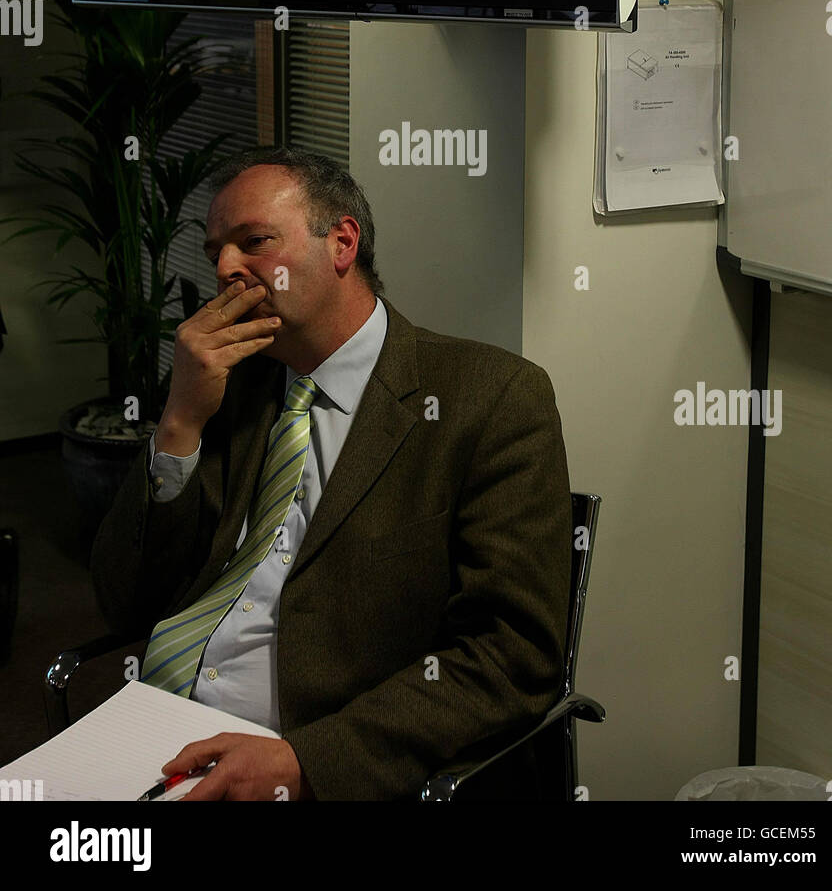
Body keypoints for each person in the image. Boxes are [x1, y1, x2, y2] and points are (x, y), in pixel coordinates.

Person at [91, 146, 573, 801]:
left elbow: (512, 656)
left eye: (253, 242)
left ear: (341, 242)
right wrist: (178, 425)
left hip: (319, 762)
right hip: (156, 726)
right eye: (215, 254)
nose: (226, 268)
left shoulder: (486, 399)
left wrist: (305, 762)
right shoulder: (223, 384)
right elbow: (127, 600)